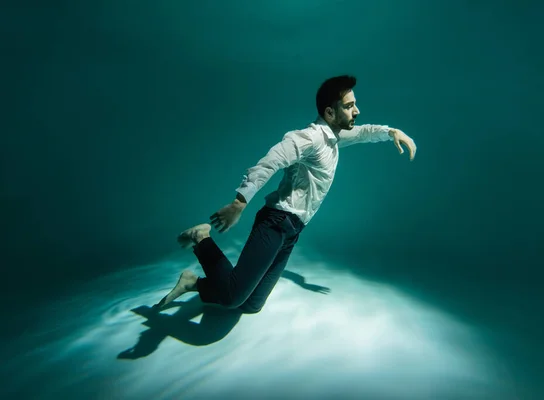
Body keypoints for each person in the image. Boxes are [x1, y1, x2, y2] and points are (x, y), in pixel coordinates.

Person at [155, 75, 417, 313]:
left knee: (253, 304)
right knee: (234, 296)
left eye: (354, 104)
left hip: (293, 230)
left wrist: (391, 132)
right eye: (349, 106)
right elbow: (270, 161)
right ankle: (202, 239)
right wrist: (239, 202)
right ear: (329, 111)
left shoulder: (335, 137)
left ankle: (194, 284)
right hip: (276, 222)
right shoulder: (310, 138)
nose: (356, 111)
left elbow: (363, 133)